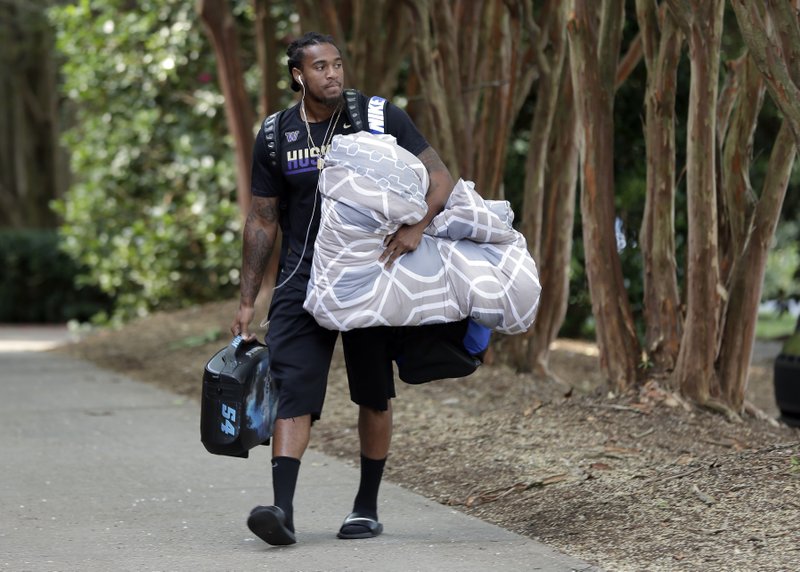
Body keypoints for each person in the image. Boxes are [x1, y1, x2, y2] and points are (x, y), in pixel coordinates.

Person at [230, 31, 455, 546]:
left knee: (373, 394)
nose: (332, 74)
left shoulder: (377, 115)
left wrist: (417, 227)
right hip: (300, 279)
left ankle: (365, 508)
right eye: (320, 68)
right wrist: (247, 300)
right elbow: (262, 219)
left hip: (372, 276)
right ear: (297, 76)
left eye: (337, 65)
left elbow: (439, 177)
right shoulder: (275, 134)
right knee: (292, 389)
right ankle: (281, 511)